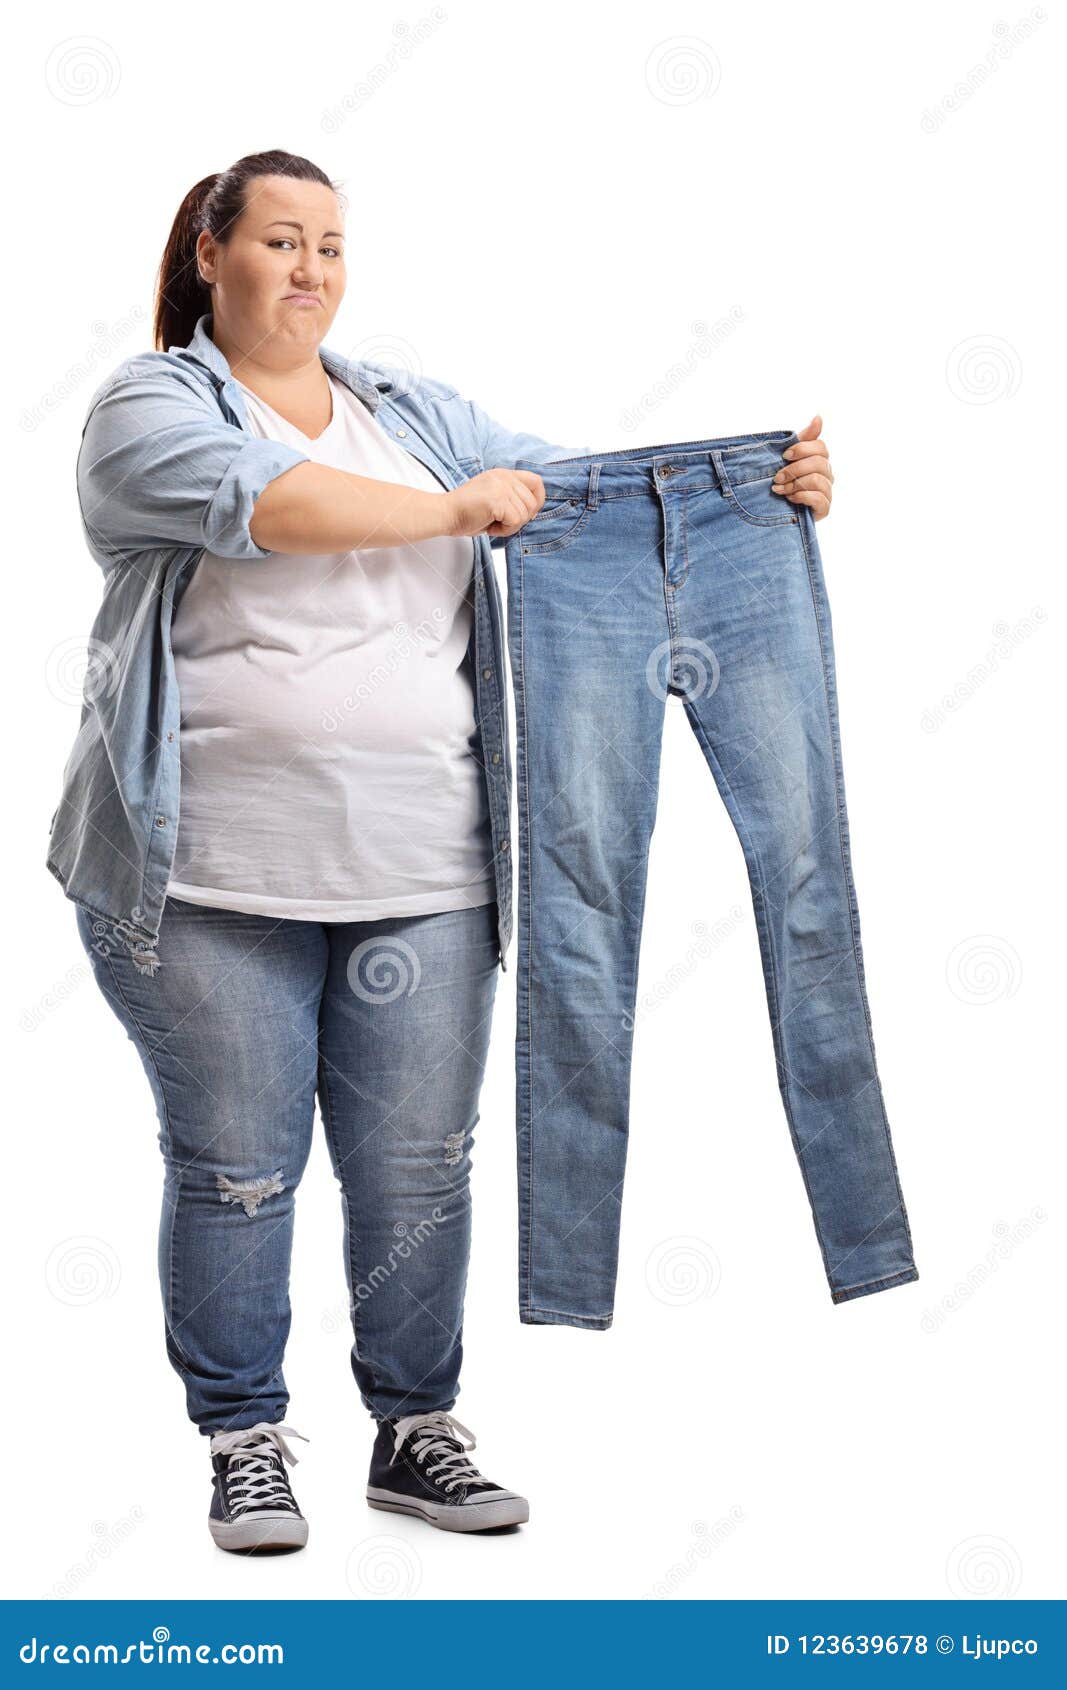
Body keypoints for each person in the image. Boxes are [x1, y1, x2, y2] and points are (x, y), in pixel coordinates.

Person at [47, 148, 834, 1554]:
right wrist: (458, 509)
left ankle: (417, 1429)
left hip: (429, 870)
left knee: (420, 1166)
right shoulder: (147, 406)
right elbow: (272, 506)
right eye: (281, 241)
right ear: (209, 255)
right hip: (207, 881)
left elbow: (566, 500)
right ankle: (244, 1435)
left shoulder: (407, 410)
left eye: (333, 246)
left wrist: (749, 491)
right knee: (239, 1164)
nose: (311, 269)